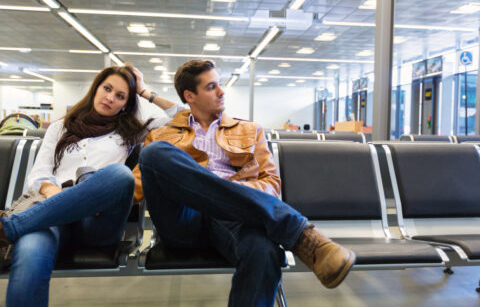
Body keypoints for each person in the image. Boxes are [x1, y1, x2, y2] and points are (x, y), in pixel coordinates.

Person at [133, 60, 356, 307]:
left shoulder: (250, 130)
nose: (221, 92)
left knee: (263, 250)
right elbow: (136, 187)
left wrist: (233, 194)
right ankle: (300, 233)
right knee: (154, 154)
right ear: (190, 96)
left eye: (220, 84)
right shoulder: (162, 134)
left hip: (234, 218)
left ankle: (288, 228)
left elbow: (270, 182)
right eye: (211, 87)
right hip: (183, 220)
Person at [0, 64, 182, 307]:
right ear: (95, 88)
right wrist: (56, 195)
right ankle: (15, 229)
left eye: (120, 96)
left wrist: (144, 91)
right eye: (107, 89)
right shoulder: (60, 127)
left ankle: (9, 228)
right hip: (53, 213)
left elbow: (183, 116)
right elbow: (40, 173)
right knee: (31, 249)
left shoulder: (130, 132)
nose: (110, 98)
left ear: (126, 105)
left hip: (98, 221)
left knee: (119, 174)